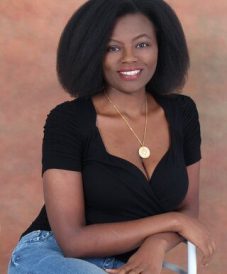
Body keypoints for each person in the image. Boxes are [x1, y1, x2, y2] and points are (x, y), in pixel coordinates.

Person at [8, 0, 215, 273]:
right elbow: (73, 241)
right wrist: (172, 222)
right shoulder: (68, 120)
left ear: (161, 47)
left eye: (142, 44)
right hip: (53, 254)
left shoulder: (182, 112)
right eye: (112, 47)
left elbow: (187, 211)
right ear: (92, 52)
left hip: (125, 260)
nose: (129, 57)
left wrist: (155, 245)